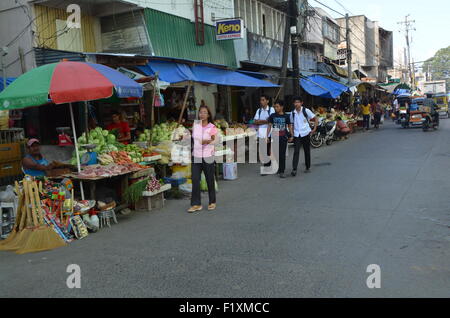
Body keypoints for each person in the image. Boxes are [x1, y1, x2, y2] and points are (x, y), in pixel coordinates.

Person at [189, 105, 218, 213]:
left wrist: (206, 141)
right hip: (196, 155)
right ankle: (196, 204)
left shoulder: (212, 127)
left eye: (205, 112)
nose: (202, 114)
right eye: (201, 112)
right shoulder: (195, 125)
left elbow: (214, 141)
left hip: (208, 156)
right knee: (195, 179)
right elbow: (193, 139)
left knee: (209, 179)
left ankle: (212, 202)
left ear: (208, 115)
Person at [289, 96, 318, 177]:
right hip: (297, 134)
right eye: (295, 102)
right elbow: (291, 124)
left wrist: (314, 129)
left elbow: (315, 118)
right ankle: (294, 169)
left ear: (301, 103)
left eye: (298, 102)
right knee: (296, 151)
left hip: (305, 133)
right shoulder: (292, 113)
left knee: (307, 151)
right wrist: (291, 134)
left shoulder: (306, 110)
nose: (296, 104)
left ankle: (307, 167)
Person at [266, 100, 292, 178]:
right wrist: (267, 136)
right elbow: (269, 126)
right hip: (274, 137)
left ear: (282, 107)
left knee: (282, 155)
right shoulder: (272, 115)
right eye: (275, 107)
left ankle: (282, 171)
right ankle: (278, 168)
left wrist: (291, 136)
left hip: (283, 137)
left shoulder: (286, 116)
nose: (276, 108)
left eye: (277, 106)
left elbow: (289, 126)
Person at [253, 95, 275, 172]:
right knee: (262, 151)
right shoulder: (259, 110)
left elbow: (271, 121)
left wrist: (260, 121)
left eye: (263, 100)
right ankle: (268, 165)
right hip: (260, 134)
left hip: (269, 133)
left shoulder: (271, 110)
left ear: (267, 101)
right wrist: (265, 121)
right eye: (261, 100)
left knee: (267, 150)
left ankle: (267, 166)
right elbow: (255, 121)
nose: (261, 101)